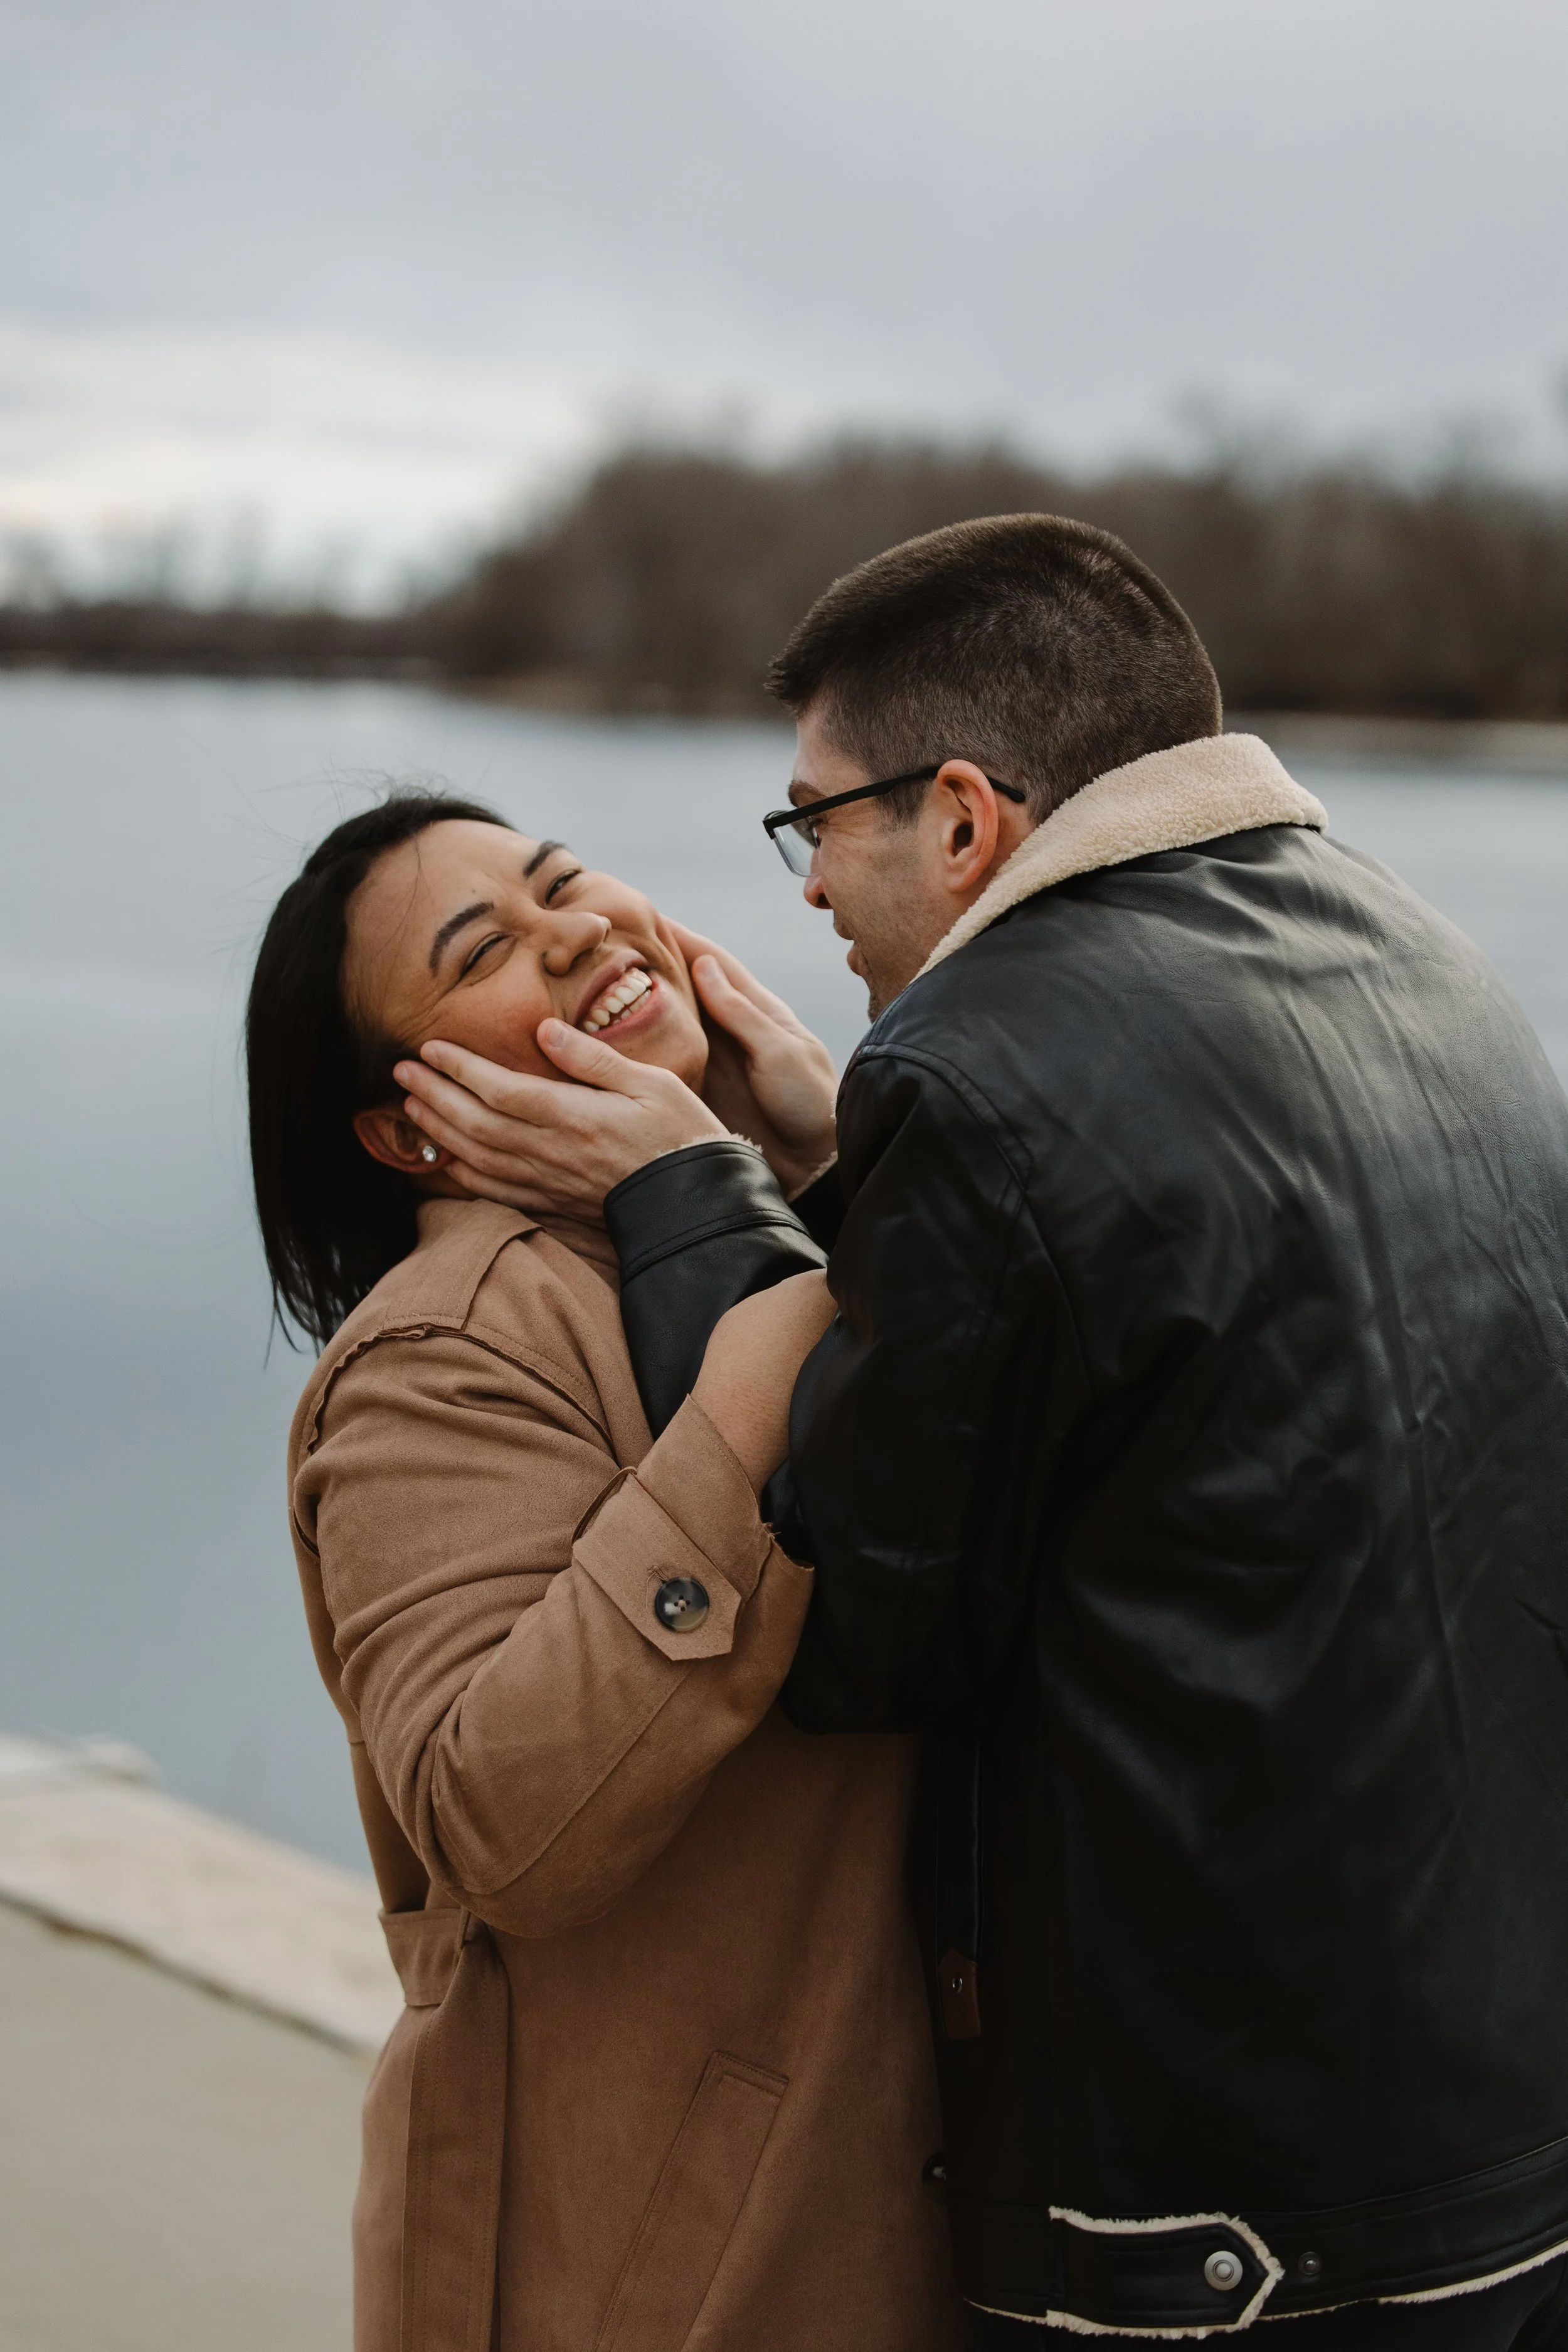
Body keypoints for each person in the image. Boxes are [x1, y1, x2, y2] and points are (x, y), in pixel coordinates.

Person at [395, 517, 1568, 2348]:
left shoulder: (978, 1061)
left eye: (812, 822)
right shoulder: (1427, 960)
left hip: (1210, 2210)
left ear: (958, 818)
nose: (802, 890)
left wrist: (694, 1197)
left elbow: (860, 1625)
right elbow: (1143, 1372)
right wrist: (838, 1162)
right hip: (1499, 2141)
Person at [245, 790, 966, 2352]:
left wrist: (822, 1165)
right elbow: (494, 1818)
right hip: (647, 2270)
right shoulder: (446, 1351)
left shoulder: (754, 1226)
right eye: (481, 951)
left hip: (869, 2213)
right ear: (409, 1125)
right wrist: (758, 1359)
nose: (573, 930)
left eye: (562, 881)